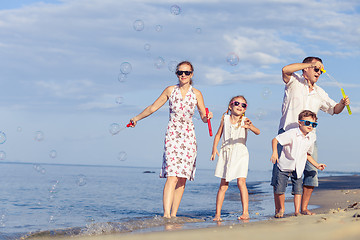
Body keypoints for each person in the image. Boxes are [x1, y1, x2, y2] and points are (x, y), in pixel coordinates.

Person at [129, 61, 213, 218]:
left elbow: (202, 116)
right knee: (172, 176)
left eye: (187, 73)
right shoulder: (170, 90)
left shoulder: (197, 94)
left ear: (192, 74)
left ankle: (173, 215)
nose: (183, 75)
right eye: (180, 72)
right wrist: (136, 118)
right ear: (176, 74)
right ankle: (166, 215)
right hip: (173, 136)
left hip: (188, 138)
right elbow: (153, 107)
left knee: (182, 178)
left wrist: (207, 116)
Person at [276, 56, 350, 215]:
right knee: (280, 172)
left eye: (321, 70)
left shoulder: (320, 92)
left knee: (310, 172)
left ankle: (303, 208)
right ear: (306, 69)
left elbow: (334, 110)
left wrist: (342, 104)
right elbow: (285, 70)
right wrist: (310, 64)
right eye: (316, 69)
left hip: (308, 138)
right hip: (287, 133)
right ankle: (279, 209)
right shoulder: (294, 82)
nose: (319, 72)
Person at [210, 95, 260, 221]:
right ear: (230, 106)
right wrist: (214, 148)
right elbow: (218, 134)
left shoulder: (245, 120)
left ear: (245, 109)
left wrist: (250, 127)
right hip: (226, 152)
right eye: (237, 103)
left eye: (243, 105)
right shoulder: (225, 118)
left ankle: (245, 212)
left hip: (240, 153)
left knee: (241, 182)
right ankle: (217, 214)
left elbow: (258, 131)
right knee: (223, 185)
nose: (240, 106)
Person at [270, 110, 326, 218]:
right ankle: (281, 209)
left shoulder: (311, 137)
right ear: (300, 122)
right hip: (284, 165)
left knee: (298, 190)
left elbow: (308, 154)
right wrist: (275, 153)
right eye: (307, 123)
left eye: (313, 124)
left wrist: (317, 165)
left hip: (298, 167)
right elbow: (275, 139)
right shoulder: (292, 133)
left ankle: (297, 211)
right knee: (280, 189)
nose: (310, 126)